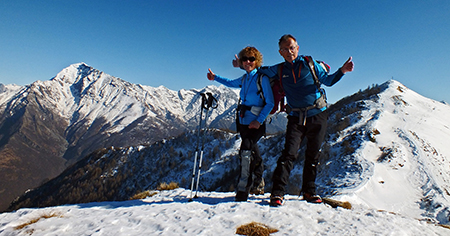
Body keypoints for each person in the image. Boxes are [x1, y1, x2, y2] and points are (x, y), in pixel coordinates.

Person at [235, 34, 354, 206]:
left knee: (313, 155)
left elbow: (327, 81)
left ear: (297, 48)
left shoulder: (310, 64)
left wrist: (342, 71)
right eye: (285, 49)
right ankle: (277, 193)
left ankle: (309, 191)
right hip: (296, 117)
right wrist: (240, 65)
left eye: (291, 47)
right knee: (288, 154)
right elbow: (257, 70)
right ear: (280, 52)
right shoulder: (279, 69)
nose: (289, 51)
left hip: (317, 114)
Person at [207, 46, 274, 201]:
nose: (248, 62)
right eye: (245, 59)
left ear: (257, 61)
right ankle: (259, 182)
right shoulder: (245, 78)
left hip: (256, 122)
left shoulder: (261, 79)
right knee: (253, 151)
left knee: (245, 151)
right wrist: (214, 77)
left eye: (251, 59)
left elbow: (269, 103)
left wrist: (259, 121)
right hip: (243, 121)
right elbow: (230, 82)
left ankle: (243, 189)